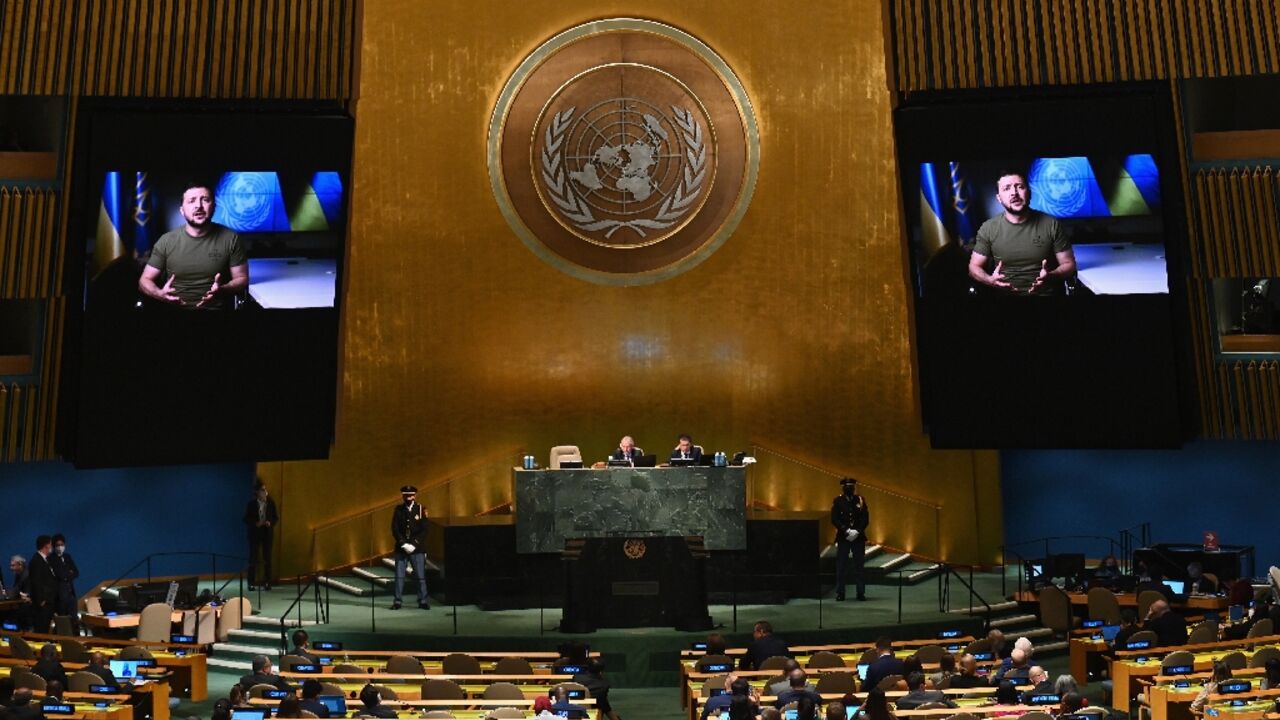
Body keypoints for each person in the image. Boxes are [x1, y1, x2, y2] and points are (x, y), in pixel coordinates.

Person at [138, 181, 249, 310]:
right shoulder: (166, 241)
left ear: (214, 206)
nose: (198, 206)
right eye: (191, 201)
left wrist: (223, 290)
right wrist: (159, 294)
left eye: (205, 200)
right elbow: (144, 281)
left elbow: (242, 278)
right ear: (182, 210)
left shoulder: (231, 238)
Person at [968, 168, 1076, 295]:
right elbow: (973, 267)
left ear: (1029, 193)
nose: (1014, 193)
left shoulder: (1051, 224)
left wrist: (1051, 276)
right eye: (1006, 188)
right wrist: (990, 280)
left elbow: (1069, 264)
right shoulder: (988, 228)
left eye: (1020, 187)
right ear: (999, 198)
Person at [390, 485, 429, 610]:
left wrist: (414, 544)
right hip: (401, 548)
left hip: (417, 549)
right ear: (403, 496)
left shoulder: (421, 509)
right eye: (406, 495)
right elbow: (395, 528)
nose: (408, 498)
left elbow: (424, 529)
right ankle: (397, 601)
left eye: (410, 495)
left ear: (414, 496)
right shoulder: (398, 509)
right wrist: (403, 543)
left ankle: (423, 601)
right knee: (399, 576)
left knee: (420, 576)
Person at [831, 477, 870, 602]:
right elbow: (834, 519)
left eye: (851, 486)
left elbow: (865, 518)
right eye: (847, 486)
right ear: (843, 488)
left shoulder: (860, 500)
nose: (849, 488)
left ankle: (860, 592)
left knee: (859, 566)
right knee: (841, 566)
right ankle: (840, 593)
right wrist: (846, 530)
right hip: (843, 537)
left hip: (858, 538)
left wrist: (857, 531)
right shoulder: (838, 501)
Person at [244, 482, 278, 591]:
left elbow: (276, 517)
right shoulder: (251, 504)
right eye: (262, 490)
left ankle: (267, 582)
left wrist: (270, 522)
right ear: (257, 492)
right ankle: (251, 583)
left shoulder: (271, 503)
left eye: (265, 490)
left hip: (267, 533)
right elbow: (246, 519)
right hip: (255, 533)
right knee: (253, 558)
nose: (265, 492)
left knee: (267, 558)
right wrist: (255, 523)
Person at [27, 536, 57, 634]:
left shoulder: (45, 560)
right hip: (43, 603)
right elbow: (36, 582)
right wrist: (41, 600)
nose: (52, 547)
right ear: (46, 546)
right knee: (41, 629)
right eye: (51, 544)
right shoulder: (37, 560)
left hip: (49, 600)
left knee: (46, 627)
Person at [48, 534, 79, 631]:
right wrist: (68, 573)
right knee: (62, 621)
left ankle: (76, 636)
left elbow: (76, 572)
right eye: (58, 545)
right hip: (60, 596)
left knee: (74, 619)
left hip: (71, 594)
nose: (60, 547)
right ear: (54, 546)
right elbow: (59, 575)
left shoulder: (67, 557)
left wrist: (67, 575)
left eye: (62, 544)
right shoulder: (51, 558)